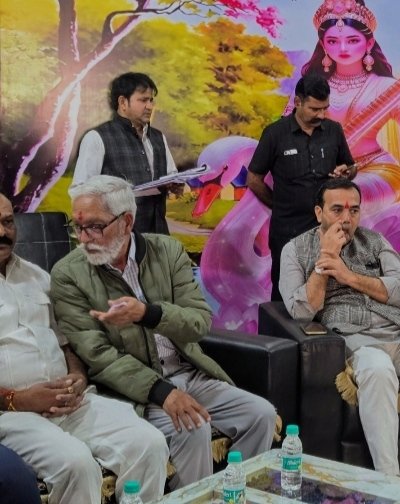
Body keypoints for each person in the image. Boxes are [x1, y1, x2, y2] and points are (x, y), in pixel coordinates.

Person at [50, 175, 276, 490]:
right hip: (130, 392)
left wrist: (148, 314)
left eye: (95, 227)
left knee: (261, 414)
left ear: (126, 222)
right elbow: (98, 356)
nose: (85, 238)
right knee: (191, 427)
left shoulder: (166, 251)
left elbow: (199, 321)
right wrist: (162, 392)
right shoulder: (68, 274)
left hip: (188, 373)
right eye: (78, 227)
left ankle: (235, 495)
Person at [279, 178, 400, 504]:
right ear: (319, 213)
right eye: (337, 210)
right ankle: (388, 484)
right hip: (356, 338)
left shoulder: (375, 241)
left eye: (353, 210)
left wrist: (350, 277)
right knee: (378, 370)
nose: (346, 219)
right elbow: (301, 310)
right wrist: (326, 260)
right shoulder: (295, 250)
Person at [0, 192, 168, 504]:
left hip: (70, 403)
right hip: (11, 414)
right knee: (77, 465)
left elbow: (66, 344)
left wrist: (78, 376)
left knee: (149, 443)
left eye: (8, 222)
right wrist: (17, 399)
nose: (3, 232)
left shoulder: (37, 277)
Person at [302, 0, 400, 212]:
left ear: (369, 43)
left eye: (353, 40)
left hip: (376, 169)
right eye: (333, 41)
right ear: (324, 45)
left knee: (342, 195)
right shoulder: (312, 86)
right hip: (324, 170)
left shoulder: (386, 87)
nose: (343, 48)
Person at [247, 73, 355, 301]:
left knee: (327, 292)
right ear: (297, 102)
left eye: (325, 109)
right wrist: (278, 204)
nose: (321, 115)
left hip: (327, 230)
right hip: (287, 231)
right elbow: (254, 178)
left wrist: (347, 172)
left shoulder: (334, 130)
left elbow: (350, 167)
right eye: (315, 109)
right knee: (284, 295)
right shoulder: (275, 134)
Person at [73, 72, 180, 235]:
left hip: (158, 234)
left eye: (151, 100)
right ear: (123, 102)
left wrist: (175, 184)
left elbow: (171, 175)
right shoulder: (97, 137)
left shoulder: (159, 137)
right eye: (143, 100)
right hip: (118, 237)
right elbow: (80, 191)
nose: (150, 106)